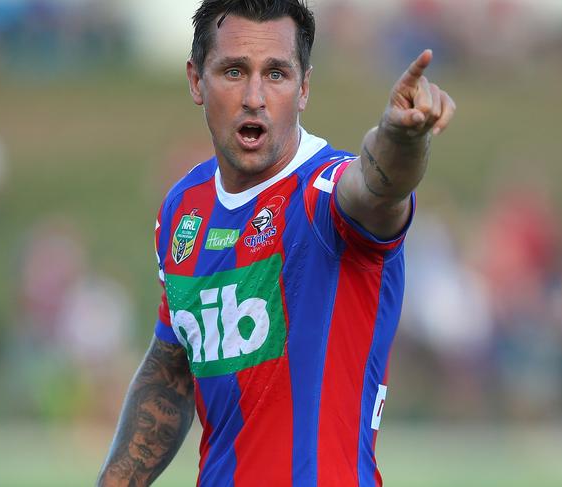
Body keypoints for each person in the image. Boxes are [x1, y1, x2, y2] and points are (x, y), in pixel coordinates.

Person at [97, 1, 455, 486]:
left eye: (277, 74)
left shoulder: (323, 194)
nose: (254, 96)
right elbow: (170, 372)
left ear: (303, 87)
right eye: (233, 71)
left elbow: (377, 186)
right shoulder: (184, 209)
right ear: (196, 81)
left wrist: (402, 139)